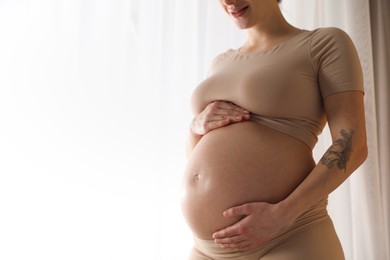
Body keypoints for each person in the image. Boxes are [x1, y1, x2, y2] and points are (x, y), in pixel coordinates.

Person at [180, 0, 368, 259]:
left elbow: (353, 145)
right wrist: (195, 126)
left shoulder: (324, 44)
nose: (229, 2)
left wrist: (282, 215)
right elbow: (198, 155)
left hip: (289, 236)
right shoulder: (220, 62)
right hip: (208, 249)